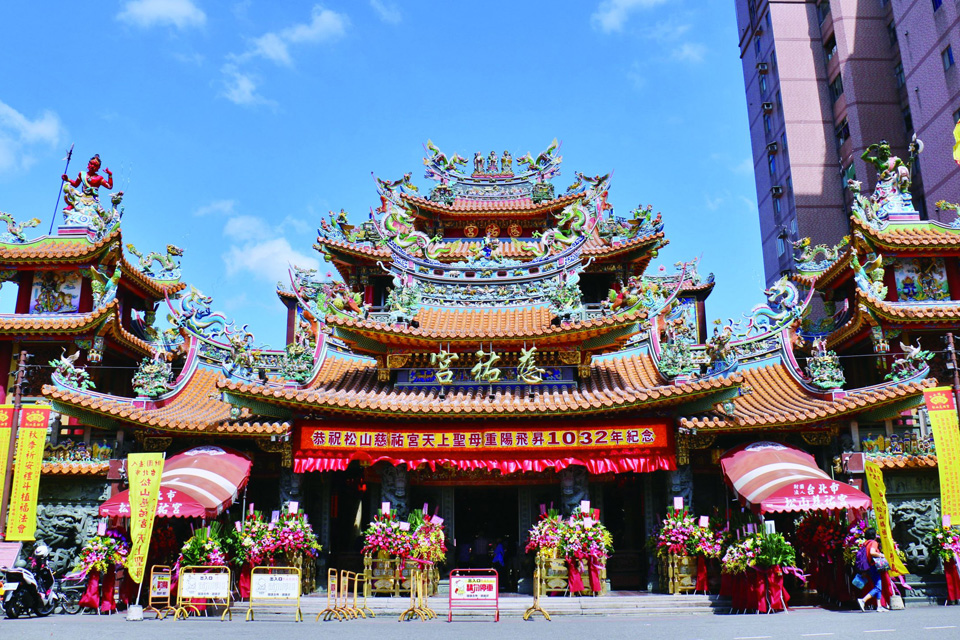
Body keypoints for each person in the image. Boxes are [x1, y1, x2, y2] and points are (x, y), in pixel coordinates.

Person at [858, 527, 890, 612]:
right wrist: (881, 555)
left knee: (878, 585)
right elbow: (872, 552)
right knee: (878, 587)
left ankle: (879, 606)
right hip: (874, 566)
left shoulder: (866, 543)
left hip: (869, 566)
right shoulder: (874, 543)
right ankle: (863, 600)